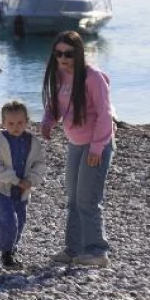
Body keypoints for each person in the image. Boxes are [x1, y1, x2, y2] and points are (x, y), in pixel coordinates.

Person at [41, 31, 115, 267]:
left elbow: (105, 114)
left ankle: (97, 251)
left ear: (79, 53)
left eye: (69, 54)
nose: (63, 58)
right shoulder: (61, 75)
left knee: (88, 199)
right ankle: (73, 249)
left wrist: (97, 148)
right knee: (72, 199)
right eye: (59, 53)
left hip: (96, 145)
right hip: (75, 144)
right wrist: (47, 122)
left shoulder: (92, 77)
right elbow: (56, 104)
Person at [0, 100, 47, 269]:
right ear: (3, 123)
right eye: (11, 123)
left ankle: (12, 250)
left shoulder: (32, 142)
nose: (16, 127)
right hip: (1, 188)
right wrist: (16, 180)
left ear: (27, 121)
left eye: (20, 123)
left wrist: (31, 180)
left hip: (23, 190)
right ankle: (6, 253)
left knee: (21, 220)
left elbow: (40, 163)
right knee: (9, 220)